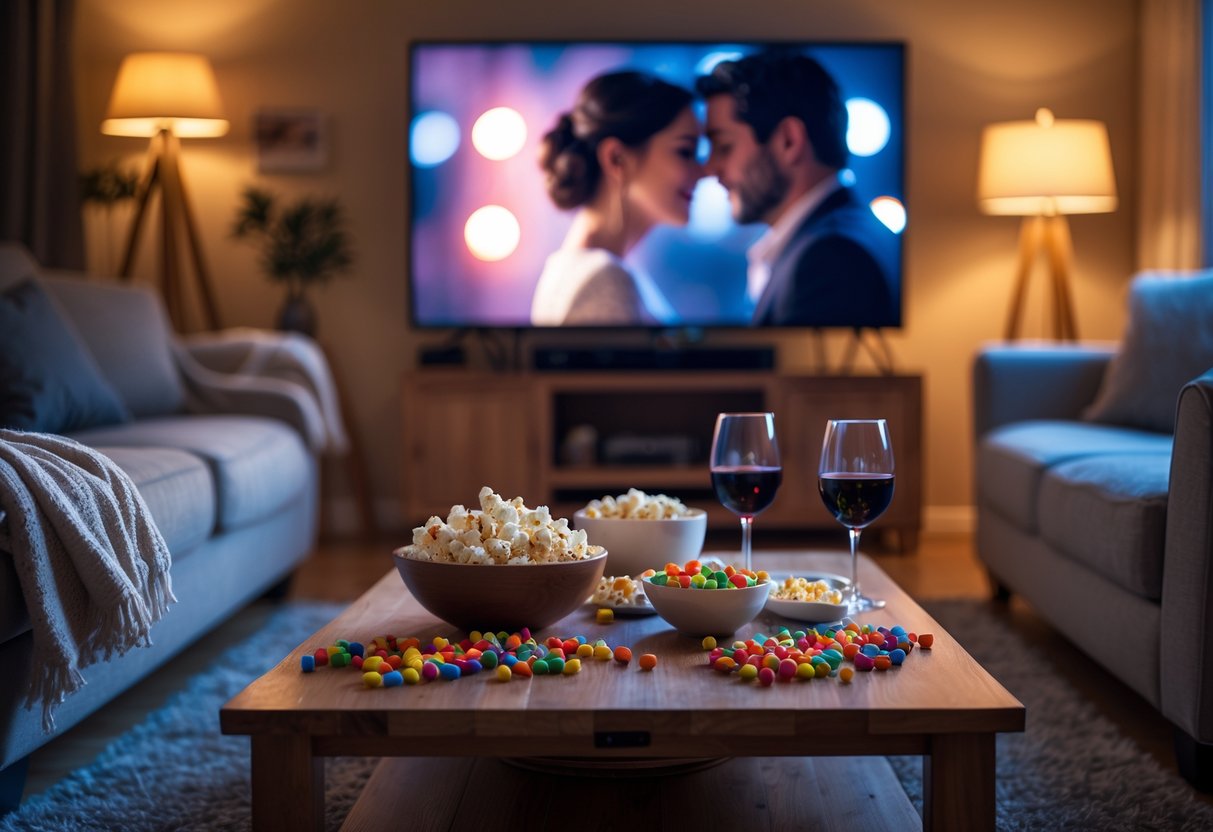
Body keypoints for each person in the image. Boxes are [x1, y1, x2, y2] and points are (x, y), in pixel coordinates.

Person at [697, 50, 897, 328]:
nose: (709, 169)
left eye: (724, 147)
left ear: (789, 141)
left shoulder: (831, 259)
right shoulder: (834, 240)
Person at [531, 71, 702, 326]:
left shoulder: (583, 270)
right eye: (685, 152)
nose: (704, 171)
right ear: (616, 158)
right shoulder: (603, 281)